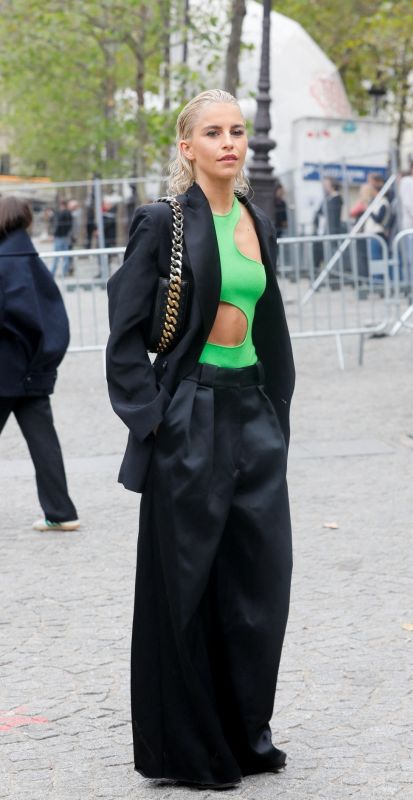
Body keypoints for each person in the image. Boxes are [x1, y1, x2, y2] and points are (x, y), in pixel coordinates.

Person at [106, 89, 295, 789]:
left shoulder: (256, 218)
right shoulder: (163, 223)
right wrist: (153, 418)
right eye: (212, 132)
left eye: (237, 131)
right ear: (187, 147)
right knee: (184, 587)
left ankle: (244, 732)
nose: (229, 142)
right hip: (191, 414)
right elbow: (124, 332)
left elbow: (269, 320)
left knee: (258, 583)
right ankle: (188, 748)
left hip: (252, 416)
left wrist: (276, 409)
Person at [0, 196, 79, 532]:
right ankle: (61, 512)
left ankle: (60, 512)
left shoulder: (5, 261)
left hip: (5, 370)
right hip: (34, 370)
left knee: (44, 441)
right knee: (44, 442)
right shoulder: (32, 261)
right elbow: (51, 318)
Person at [50, 199, 73, 277]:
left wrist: (54, 234)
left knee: (56, 256)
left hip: (59, 237)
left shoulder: (61, 214)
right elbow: (70, 225)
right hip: (65, 236)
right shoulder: (69, 214)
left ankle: (53, 271)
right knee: (66, 255)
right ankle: (64, 272)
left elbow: (58, 226)